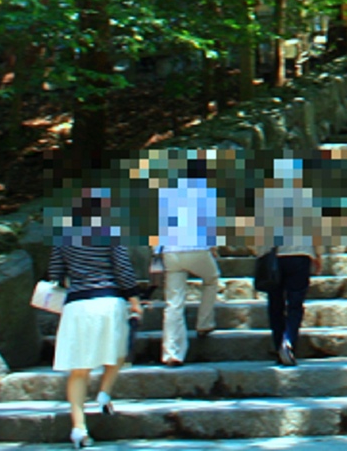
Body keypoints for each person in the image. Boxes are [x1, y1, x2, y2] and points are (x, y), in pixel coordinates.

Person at [51, 189, 144, 448]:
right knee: (118, 353)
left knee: (79, 370)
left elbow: (56, 274)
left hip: (77, 305)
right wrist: (134, 300)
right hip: (108, 300)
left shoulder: (64, 237)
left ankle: (79, 428)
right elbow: (123, 269)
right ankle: (104, 393)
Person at [155, 154, 222, 367]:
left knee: (173, 303)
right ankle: (204, 322)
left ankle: (172, 352)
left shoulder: (165, 192)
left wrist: (157, 251)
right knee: (212, 280)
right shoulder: (205, 191)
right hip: (196, 248)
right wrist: (213, 246)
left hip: (171, 252)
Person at [253, 160, 319, 366]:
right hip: (300, 254)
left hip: (274, 256)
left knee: (275, 303)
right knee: (295, 303)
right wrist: (318, 256)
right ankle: (289, 340)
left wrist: (258, 253)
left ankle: (277, 342)